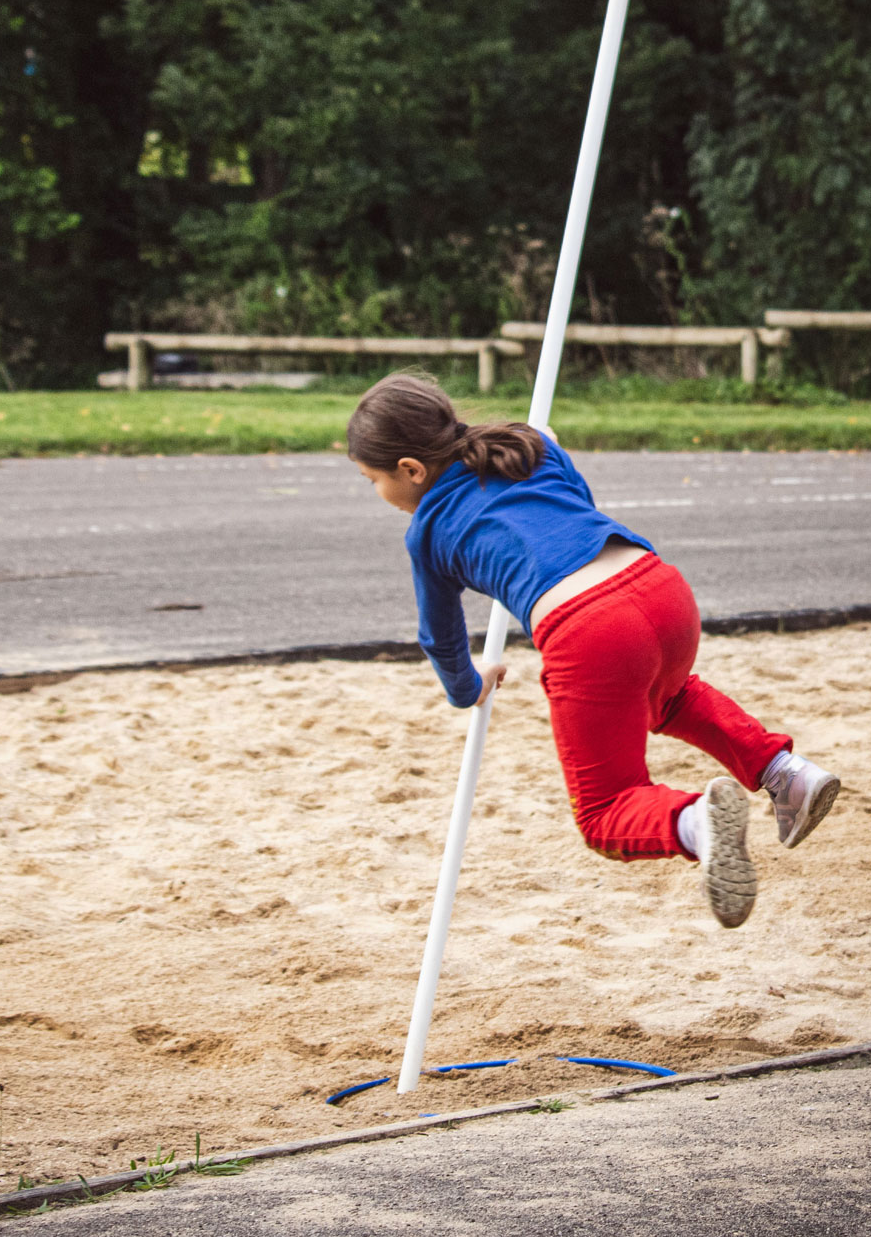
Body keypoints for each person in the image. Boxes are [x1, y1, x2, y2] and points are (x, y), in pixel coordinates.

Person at [347, 372, 840, 929]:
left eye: (372, 480)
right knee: (667, 698)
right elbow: (577, 503)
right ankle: (785, 772)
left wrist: (469, 687)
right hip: (660, 588)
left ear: (410, 470)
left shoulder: (427, 530)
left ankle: (698, 822)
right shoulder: (525, 446)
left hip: (590, 629)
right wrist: (548, 447)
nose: (378, 493)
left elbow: (439, 636)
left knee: (606, 811)